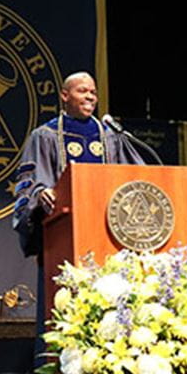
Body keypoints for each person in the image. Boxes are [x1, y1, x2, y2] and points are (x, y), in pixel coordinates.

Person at [12, 72, 144, 256]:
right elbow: (30, 181)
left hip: (109, 230)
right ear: (65, 96)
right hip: (63, 231)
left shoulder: (110, 136)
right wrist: (41, 192)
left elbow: (137, 175)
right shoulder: (45, 135)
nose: (90, 96)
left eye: (93, 92)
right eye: (82, 91)